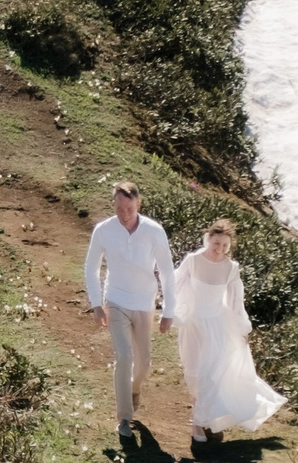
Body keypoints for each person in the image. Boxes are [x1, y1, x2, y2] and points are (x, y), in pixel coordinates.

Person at [174, 218, 284, 447]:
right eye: (216, 243)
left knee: (210, 375)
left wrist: (242, 329)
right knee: (193, 374)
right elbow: (176, 285)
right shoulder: (193, 261)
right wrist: (174, 313)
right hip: (193, 325)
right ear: (208, 239)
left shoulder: (231, 268)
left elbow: (236, 302)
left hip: (217, 326)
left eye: (225, 246)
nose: (219, 249)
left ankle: (197, 423)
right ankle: (203, 414)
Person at [84, 180, 177, 447]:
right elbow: (91, 268)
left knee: (144, 363)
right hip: (116, 300)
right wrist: (97, 304)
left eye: (130, 208)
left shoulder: (154, 231)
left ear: (138, 204)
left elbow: (167, 271)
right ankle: (124, 418)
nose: (124, 214)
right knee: (124, 357)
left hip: (145, 303)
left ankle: (135, 389)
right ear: (113, 205)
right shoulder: (103, 230)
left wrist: (168, 310)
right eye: (119, 208)